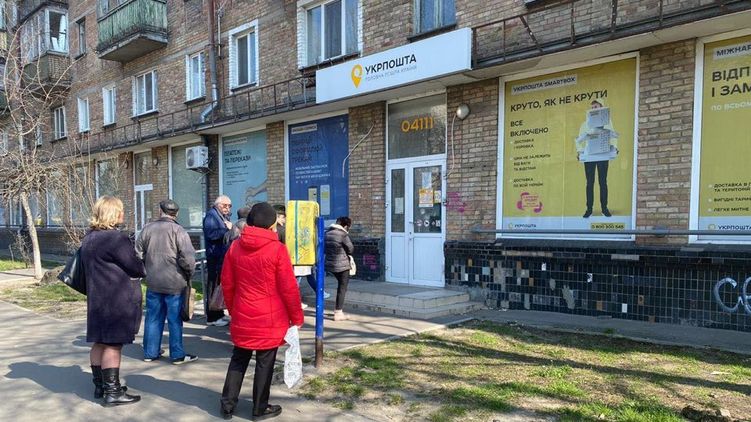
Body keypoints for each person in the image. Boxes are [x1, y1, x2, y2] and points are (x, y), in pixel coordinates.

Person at [219, 202, 304, 420]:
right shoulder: (277, 249)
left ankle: (227, 405)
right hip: (270, 318)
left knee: (239, 358)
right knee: (265, 363)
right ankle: (259, 408)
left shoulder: (235, 247)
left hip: (243, 313)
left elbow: (227, 283)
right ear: (271, 224)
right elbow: (288, 288)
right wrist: (296, 317)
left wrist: (233, 309)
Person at [81, 196, 145, 406]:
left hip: (97, 298)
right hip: (116, 300)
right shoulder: (115, 239)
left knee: (100, 341)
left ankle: (101, 386)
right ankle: (113, 392)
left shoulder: (89, 237)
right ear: (113, 213)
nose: (123, 213)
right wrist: (141, 262)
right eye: (121, 210)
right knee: (113, 344)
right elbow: (135, 267)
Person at [136, 199, 198, 365]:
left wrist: (147, 268)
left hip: (153, 281)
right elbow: (189, 259)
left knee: (152, 318)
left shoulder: (147, 229)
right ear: (176, 213)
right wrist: (188, 273)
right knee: (174, 320)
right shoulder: (179, 231)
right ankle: (177, 354)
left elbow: (138, 254)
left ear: (160, 211)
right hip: (175, 283)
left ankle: (150, 352)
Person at [575, 99, 619, 218]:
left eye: (596, 107)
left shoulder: (608, 123)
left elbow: (614, 137)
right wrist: (579, 152)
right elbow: (579, 140)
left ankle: (604, 208)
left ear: (602, 108)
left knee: (603, 182)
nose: (594, 109)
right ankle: (589, 209)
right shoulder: (584, 124)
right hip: (589, 156)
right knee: (589, 183)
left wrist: (614, 148)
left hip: (603, 155)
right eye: (592, 108)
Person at [202, 195, 233, 326]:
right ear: (217, 205)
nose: (227, 208)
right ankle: (212, 317)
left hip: (220, 256)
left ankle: (218, 313)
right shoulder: (211, 216)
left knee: (219, 286)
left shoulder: (221, 216)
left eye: (229, 206)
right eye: (224, 205)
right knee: (213, 286)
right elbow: (211, 234)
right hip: (214, 257)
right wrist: (226, 229)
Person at [324, 216, 354, 321]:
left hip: (330, 263)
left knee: (340, 285)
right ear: (345, 226)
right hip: (342, 265)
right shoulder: (343, 235)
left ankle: (338, 311)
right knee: (342, 288)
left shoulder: (327, 233)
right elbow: (350, 249)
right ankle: (338, 312)